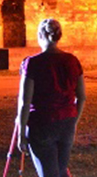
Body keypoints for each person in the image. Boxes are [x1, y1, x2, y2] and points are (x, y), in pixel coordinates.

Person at [16, 19, 86, 177]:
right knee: (61, 171)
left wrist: (21, 133)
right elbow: (81, 97)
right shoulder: (72, 61)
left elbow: (25, 102)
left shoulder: (33, 63)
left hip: (42, 123)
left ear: (40, 35)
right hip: (67, 122)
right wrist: (74, 120)